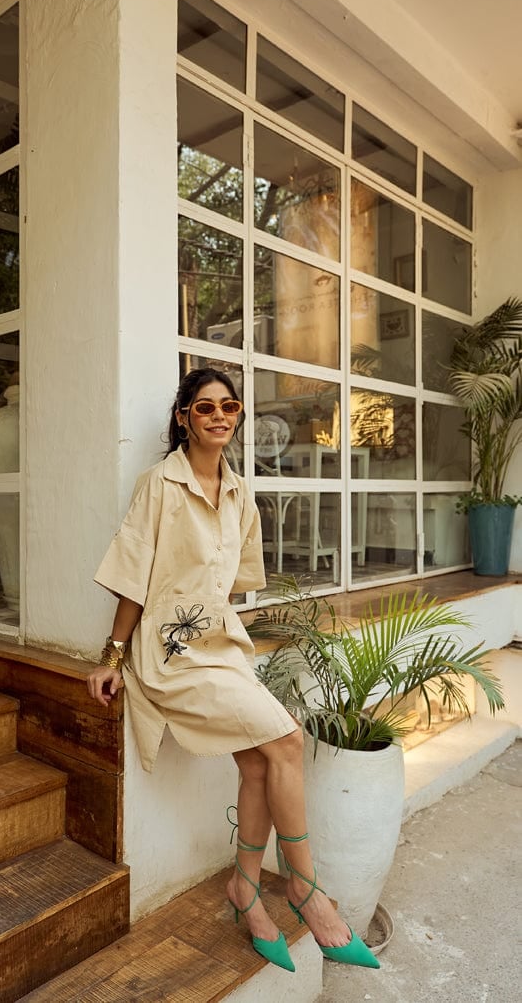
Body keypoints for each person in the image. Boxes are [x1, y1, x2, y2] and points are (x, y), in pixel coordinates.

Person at [87, 367, 379, 973]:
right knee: (288, 740)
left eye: (229, 406)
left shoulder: (242, 493)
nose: (219, 415)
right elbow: (133, 577)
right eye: (204, 407)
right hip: (171, 651)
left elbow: (231, 584)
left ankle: (245, 888)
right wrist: (113, 656)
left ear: (238, 415)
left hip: (221, 646)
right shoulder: (159, 485)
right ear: (183, 418)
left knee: (259, 761)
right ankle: (304, 888)